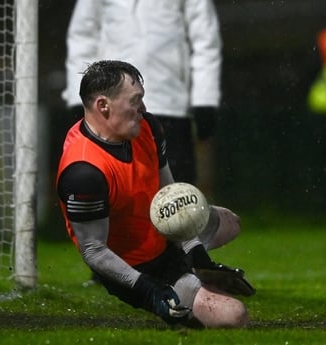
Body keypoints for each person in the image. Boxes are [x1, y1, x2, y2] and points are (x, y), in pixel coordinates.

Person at [56, 60, 254, 328]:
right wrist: (148, 289)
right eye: (135, 101)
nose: (144, 109)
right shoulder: (84, 172)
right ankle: (186, 284)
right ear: (103, 105)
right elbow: (94, 250)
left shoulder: (146, 126)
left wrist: (194, 251)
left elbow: (169, 192)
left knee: (231, 222)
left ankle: (193, 269)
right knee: (233, 316)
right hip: (137, 266)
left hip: (162, 232)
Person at [61, 0, 222, 188]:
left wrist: (205, 98)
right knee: (118, 191)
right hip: (115, 112)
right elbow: (83, 37)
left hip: (170, 104)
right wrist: (79, 97)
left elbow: (205, 39)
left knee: (178, 199)